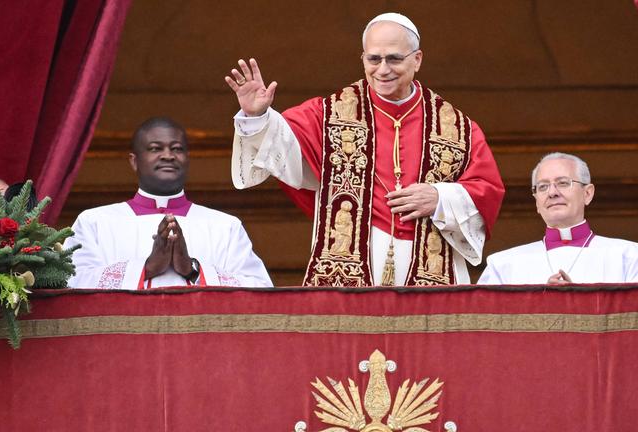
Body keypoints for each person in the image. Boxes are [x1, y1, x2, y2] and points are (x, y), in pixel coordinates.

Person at [225, 13, 505, 287]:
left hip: (431, 271)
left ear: (417, 59)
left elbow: (487, 190)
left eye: (394, 59)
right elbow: (284, 149)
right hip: (350, 269)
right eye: (374, 59)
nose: (383, 70)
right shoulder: (329, 114)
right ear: (363, 59)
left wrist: (440, 198)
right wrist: (257, 116)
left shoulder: (457, 128)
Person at [65, 117, 272, 289]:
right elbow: (71, 283)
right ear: (134, 161)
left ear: (187, 159)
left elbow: (260, 290)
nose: (168, 156)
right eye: (155, 148)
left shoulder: (226, 227)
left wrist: (192, 269)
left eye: (177, 149)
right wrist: (146, 269)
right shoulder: (94, 222)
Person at [478, 152, 638, 285]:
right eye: (543, 187)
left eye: (563, 183)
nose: (552, 192)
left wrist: (578, 303)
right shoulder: (502, 265)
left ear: (587, 193)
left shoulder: (631, 257)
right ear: (536, 202)